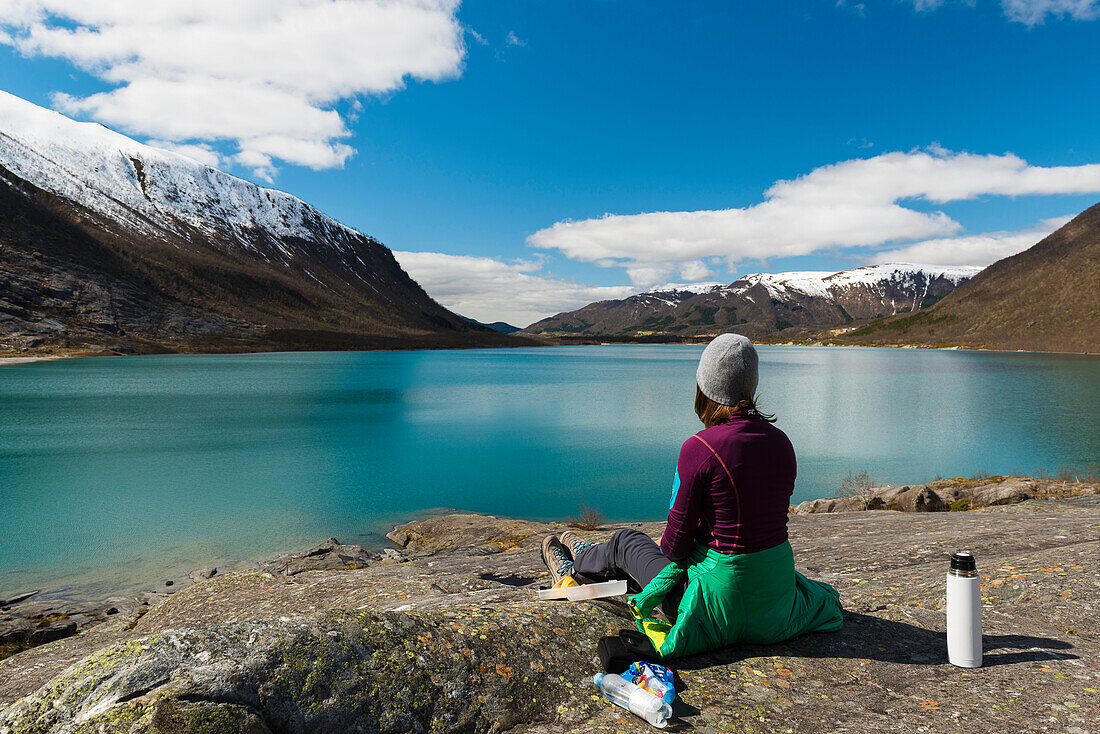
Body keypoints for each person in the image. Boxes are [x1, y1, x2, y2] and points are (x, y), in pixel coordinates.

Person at [541, 333, 843, 658]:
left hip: (712, 610)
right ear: (750, 387)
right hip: (775, 606)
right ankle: (587, 555)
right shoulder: (782, 443)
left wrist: (671, 546)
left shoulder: (699, 448)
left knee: (627, 542)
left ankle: (575, 568)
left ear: (705, 388)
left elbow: (674, 548)